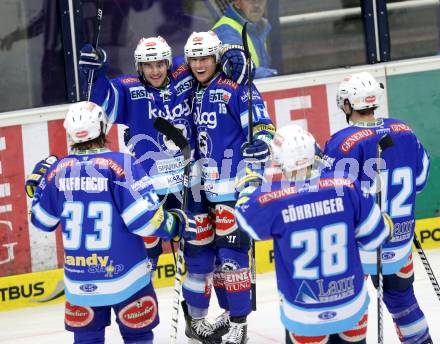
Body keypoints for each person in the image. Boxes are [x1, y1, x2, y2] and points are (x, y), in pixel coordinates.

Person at [25, 101, 196, 344]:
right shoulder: (122, 165)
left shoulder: (57, 170)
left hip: (79, 283)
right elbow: (145, 222)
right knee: (138, 338)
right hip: (127, 279)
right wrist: (175, 224)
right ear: (103, 128)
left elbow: (41, 221)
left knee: (87, 340)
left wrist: (36, 189)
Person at [78, 35, 253, 272]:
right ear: (139, 66)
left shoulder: (185, 72)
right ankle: (138, 302)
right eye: (148, 65)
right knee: (145, 255)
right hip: (151, 189)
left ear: (168, 62)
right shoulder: (128, 87)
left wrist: (235, 53)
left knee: (201, 256)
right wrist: (97, 72)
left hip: (191, 184)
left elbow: (210, 57)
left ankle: (197, 310)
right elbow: (102, 100)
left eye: (160, 64)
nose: (155, 71)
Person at [234, 124, 392, 343]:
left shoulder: (274, 199)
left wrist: (249, 185)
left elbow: (245, 220)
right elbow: (376, 236)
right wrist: (386, 222)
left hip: (304, 312)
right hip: (350, 305)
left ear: (279, 161)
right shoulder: (347, 185)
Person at [323, 72, 432, 344]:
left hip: (359, 246)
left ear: (347, 104)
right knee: (403, 303)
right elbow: (419, 181)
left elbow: (332, 200)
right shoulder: (405, 130)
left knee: (347, 310)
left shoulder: (342, 143)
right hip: (400, 242)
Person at [181, 30, 275, 344]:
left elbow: (261, 124)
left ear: (217, 58)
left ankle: (239, 324)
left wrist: (261, 142)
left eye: (205, 57)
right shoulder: (193, 91)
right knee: (213, 261)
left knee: (233, 258)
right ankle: (225, 315)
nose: (198, 64)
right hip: (202, 188)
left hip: (234, 188)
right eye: (193, 58)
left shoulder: (236, 86)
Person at [212, 0, 277, 79]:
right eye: (251, 1)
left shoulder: (261, 27)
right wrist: (276, 75)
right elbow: (237, 70)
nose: (256, 5)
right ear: (237, 2)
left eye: (260, 0)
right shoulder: (225, 32)